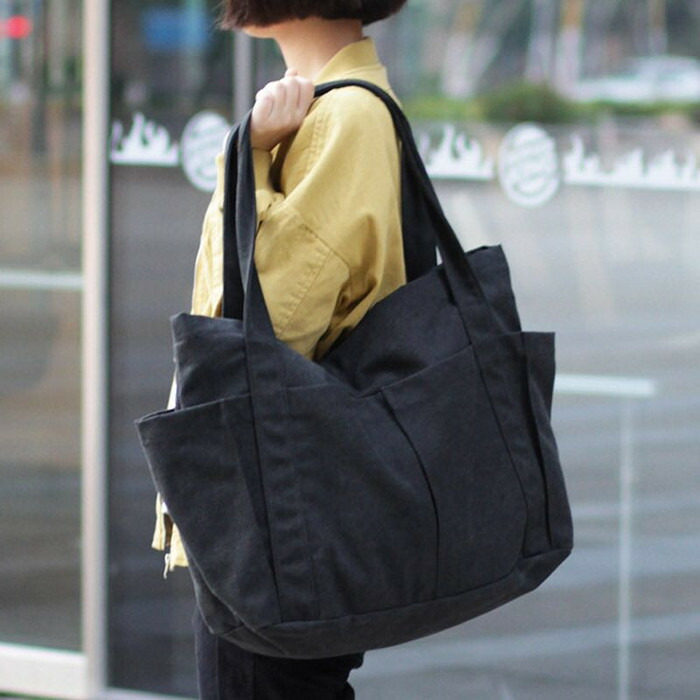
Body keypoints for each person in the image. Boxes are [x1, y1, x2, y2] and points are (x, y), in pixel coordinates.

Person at [151, 0, 411, 697]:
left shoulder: (343, 117)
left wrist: (248, 158)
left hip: (276, 513)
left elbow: (262, 325)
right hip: (291, 509)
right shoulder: (338, 106)